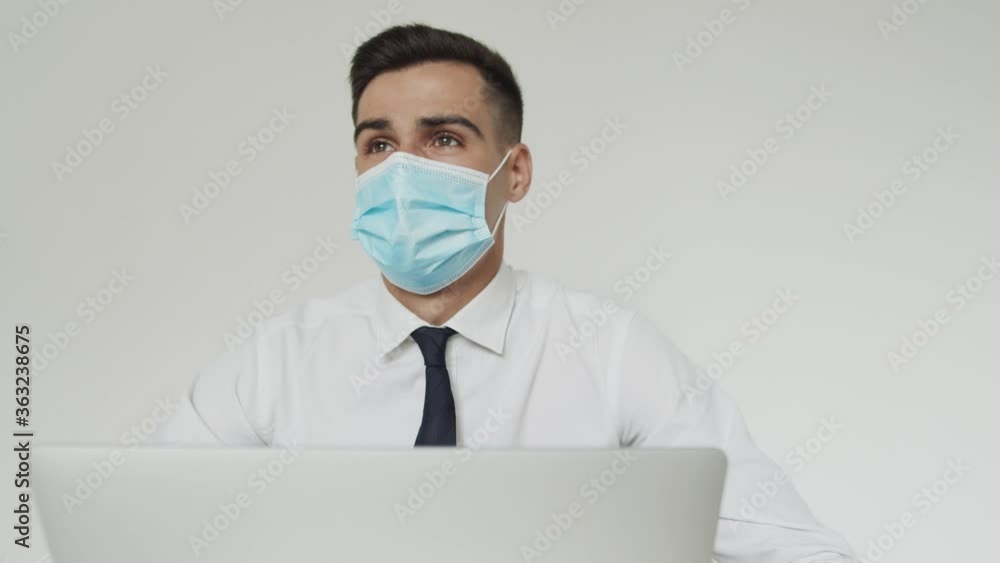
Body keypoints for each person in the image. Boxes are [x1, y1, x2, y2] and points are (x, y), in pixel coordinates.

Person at [152, 23, 858, 562]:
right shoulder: (276, 361)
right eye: (379, 144)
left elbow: (795, 550)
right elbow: (143, 533)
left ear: (514, 173)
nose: (403, 169)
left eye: (444, 140)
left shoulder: (609, 353)